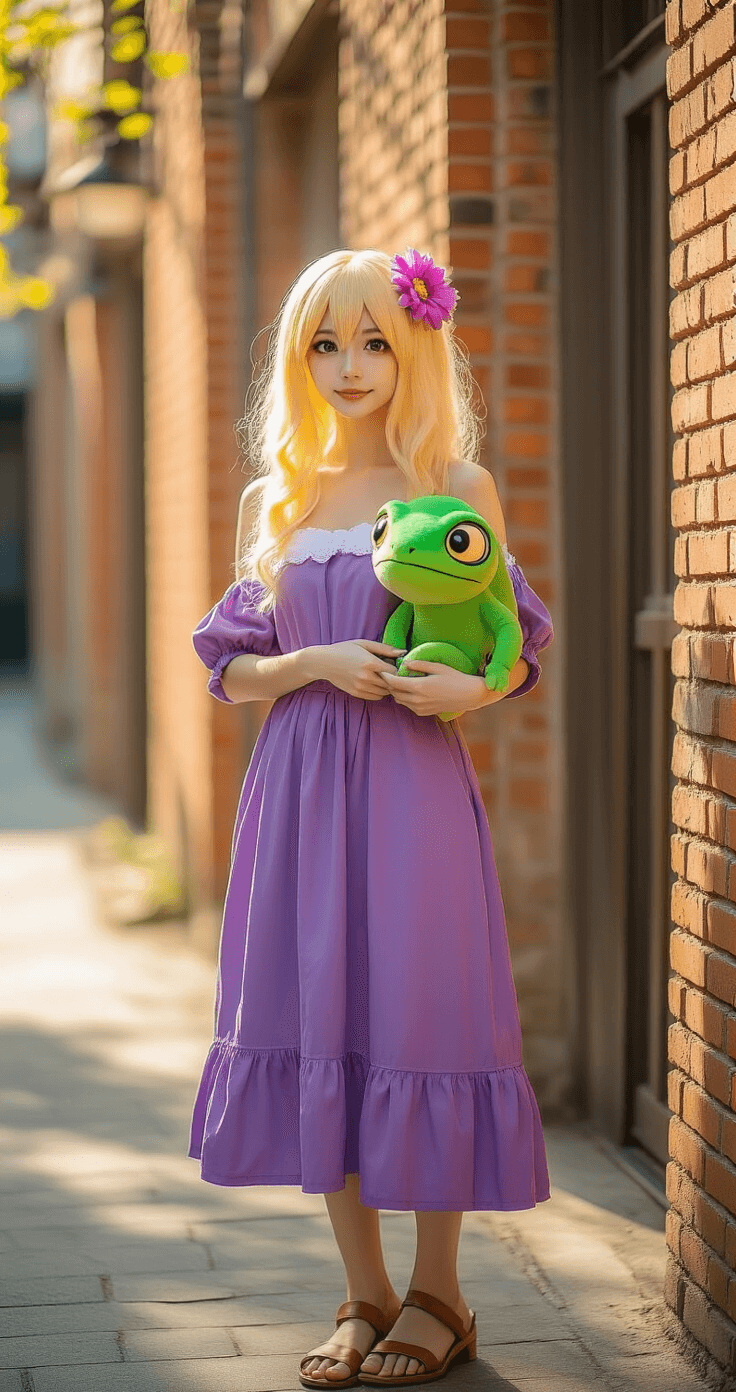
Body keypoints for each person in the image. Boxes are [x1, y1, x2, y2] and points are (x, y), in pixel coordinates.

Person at [188, 247, 554, 1388]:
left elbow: (513, 644)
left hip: (411, 787)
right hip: (296, 790)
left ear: (416, 349)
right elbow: (232, 672)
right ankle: (364, 1291)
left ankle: (441, 1294)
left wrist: (474, 691)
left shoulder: (456, 484)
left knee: (424, 1015)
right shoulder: (277, 497)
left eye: (375, 342)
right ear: (301, 361)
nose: (350, 367)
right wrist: (311, 660)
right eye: (325, 344)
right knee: (319, 1015)